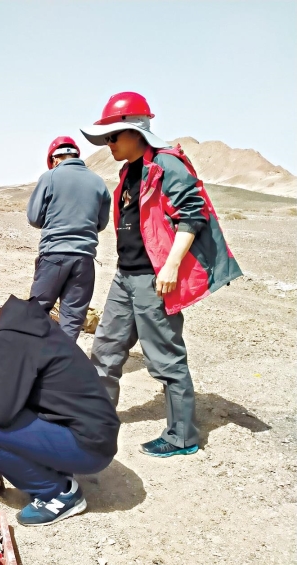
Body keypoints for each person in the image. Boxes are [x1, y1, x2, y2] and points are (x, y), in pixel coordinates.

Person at [80, 91, 243, 457]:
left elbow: (193, 214)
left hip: (153, 279)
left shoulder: (167, 164)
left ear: (136, 132)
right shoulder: (128, 170)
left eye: (113, 136)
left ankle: (182, 437)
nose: (109, 144)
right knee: (105, 349)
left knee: (165, 358)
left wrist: (170, 265)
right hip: (125, 276)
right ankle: (95, 419)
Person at [0, 281, 120, 526]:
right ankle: (56, 469)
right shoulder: (19, 322)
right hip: (93, 432)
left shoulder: (9, 338)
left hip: (89, 447)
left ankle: (58, 493)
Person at [26, 136, 111, 342]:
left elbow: (34, 218)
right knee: (72, 318)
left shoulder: (50, 177)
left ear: (54, 159)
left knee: (37, 311)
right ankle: (62, 359)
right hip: (84, 259)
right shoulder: (98, 181)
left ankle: (34, 356)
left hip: (54, 254)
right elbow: (101, 224)